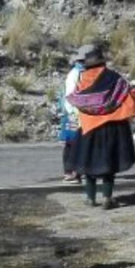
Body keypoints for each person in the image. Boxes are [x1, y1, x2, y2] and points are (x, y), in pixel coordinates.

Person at [66, 44, 135, 210]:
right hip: (113, 127)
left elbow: (76, 100)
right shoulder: (115, 78)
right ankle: (107, 197)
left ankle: (90, 198)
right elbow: (128, 98)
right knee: (109, 163)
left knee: (88, 164)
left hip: (89, 127)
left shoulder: (83, 80)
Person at [58, 54, 83, 183]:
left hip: (74, 112)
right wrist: (74, 112)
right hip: (74, 113)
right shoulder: (76, 74)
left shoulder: (79, 73)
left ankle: (72, 171)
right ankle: (71, 172)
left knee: (72, 142)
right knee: (73, 142)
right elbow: (70, 95)